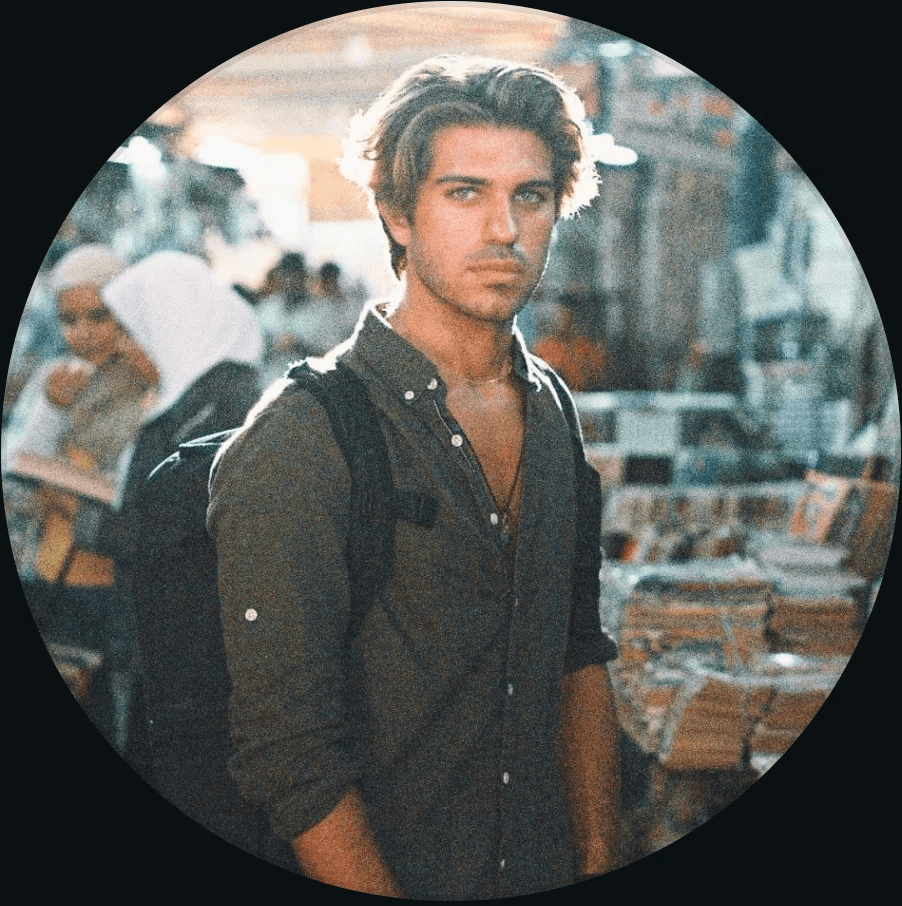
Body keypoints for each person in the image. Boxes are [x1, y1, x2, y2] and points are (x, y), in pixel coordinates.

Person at [207, 55, 620, 899]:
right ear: (397, 215)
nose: (503, 228)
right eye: (464, 193)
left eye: (530, 197)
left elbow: (578, 652)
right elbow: (291, 755)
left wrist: (599, 850)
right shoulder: (306, 436)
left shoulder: (549, 411)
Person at [4, 244, 158, 749]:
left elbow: (146, 482)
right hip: (47, 572)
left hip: (113, 583)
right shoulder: (55, 378)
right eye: (70, 319)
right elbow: (17, 474)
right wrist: (51, 408)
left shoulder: (152, 379)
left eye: (99, 316)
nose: (83, 332)